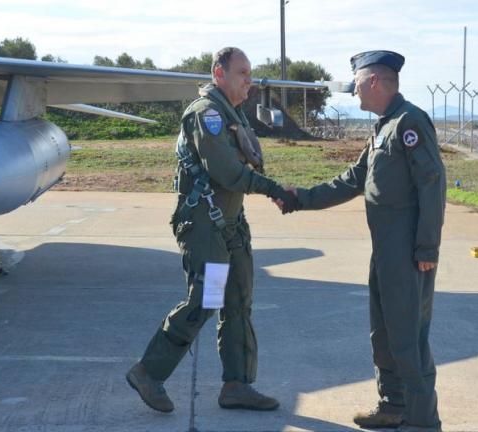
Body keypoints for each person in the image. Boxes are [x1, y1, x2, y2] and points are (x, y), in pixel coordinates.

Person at [126, 47, 300, 414]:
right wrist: (273, 190)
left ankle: (237, 385)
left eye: (250, 74)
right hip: (206, 225)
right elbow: (227, 172)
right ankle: (148, 372)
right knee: (207, 299)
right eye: (241, 73)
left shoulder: (232, 113)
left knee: (238, 301)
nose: (248, 81)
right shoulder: (207, 115)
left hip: (230, 224)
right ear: (218, 73)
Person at [284, 50, 446, 432]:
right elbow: (352, 180)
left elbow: (432, 184)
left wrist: (426, 248)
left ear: (374, 81)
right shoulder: (382, 128)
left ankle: (424, 423)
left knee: (409, 340)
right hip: (385, 251)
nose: (353, 90)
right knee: (384, 334)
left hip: (408, 252)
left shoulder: (410, 123)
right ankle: (393, 406)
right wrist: (299, 198)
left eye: (356, 82)